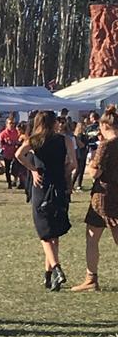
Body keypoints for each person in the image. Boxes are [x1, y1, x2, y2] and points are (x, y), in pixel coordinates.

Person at [15, 110, 74, 292]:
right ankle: (48, 276)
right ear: (54, 122)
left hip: (41, 185)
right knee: (53, 232)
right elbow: (73, 164)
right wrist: (65, 176)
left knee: (44, 233)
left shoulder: (34, 140)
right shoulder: (64, 139)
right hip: (58, 185)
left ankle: (56, 269)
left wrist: (33, 169)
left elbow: (19, 155)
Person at [72, 105, 118, 292]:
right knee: (93, 235)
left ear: (105, 126)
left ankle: (91, 277)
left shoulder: (106, 145)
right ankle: (90, 278)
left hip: (104, 197)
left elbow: (95, 172)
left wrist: (92, 162)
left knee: (93, 239)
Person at [0, 117, 23, 189]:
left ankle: (17, 181)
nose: (12, 125)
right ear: (6, 124)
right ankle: (9, 183)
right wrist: (5, 146)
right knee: (7, 169)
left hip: (16, 153)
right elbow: (0, 144)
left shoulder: (17, 132)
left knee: (17, 168)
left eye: (13, 123)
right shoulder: (3, 133)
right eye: (10, 123)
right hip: (7, 153)